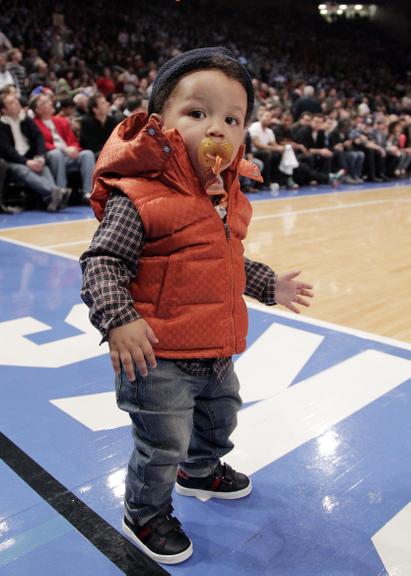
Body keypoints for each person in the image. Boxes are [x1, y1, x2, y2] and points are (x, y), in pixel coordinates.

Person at [80, 47, 313, 565]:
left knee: (219, 416)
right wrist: (120, 319)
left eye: (232, 119)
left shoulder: (225, 196)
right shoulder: (138, 195)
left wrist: (268, 284)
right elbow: (100, 262)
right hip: (156, 356)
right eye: (197, 113)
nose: (218, 130)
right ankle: (144, 511)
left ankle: (201, 469)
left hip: (214, 347)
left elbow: (227, 261)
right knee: (161, 442)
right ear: (159, 125)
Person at [0, 92, 69, 211]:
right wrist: (26, 162)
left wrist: (40, 156)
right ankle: (55, 192)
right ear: (4, 110)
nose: (17, 103)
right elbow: (7, 150)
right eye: (11, 103)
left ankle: (52, 199)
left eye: (16, 100)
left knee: (43, 167)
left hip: (30, 157)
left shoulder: (26, 119)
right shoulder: (1, 125)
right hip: (12, 161)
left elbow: (39, 137)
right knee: (22, 170)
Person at [30, 92, 95, 199]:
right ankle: (62, 191)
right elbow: (42, 143)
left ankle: (88, 192)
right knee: (56, 154)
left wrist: (74, 149)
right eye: (45, 102)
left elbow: (72, 140)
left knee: (87, 154)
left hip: (69, 154)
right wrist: (64, 149)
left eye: (49, 101)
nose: (50, 103)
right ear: (38, 110)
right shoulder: (34, 123)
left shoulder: (61, 121)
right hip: (51, 154)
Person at [79, 93, 119, 158]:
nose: (108, 104)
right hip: (93, 155)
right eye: (103, 103)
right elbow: (91, 146)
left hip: (109, 151)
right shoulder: (87, 122)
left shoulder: (112, 120)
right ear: (95, 110)